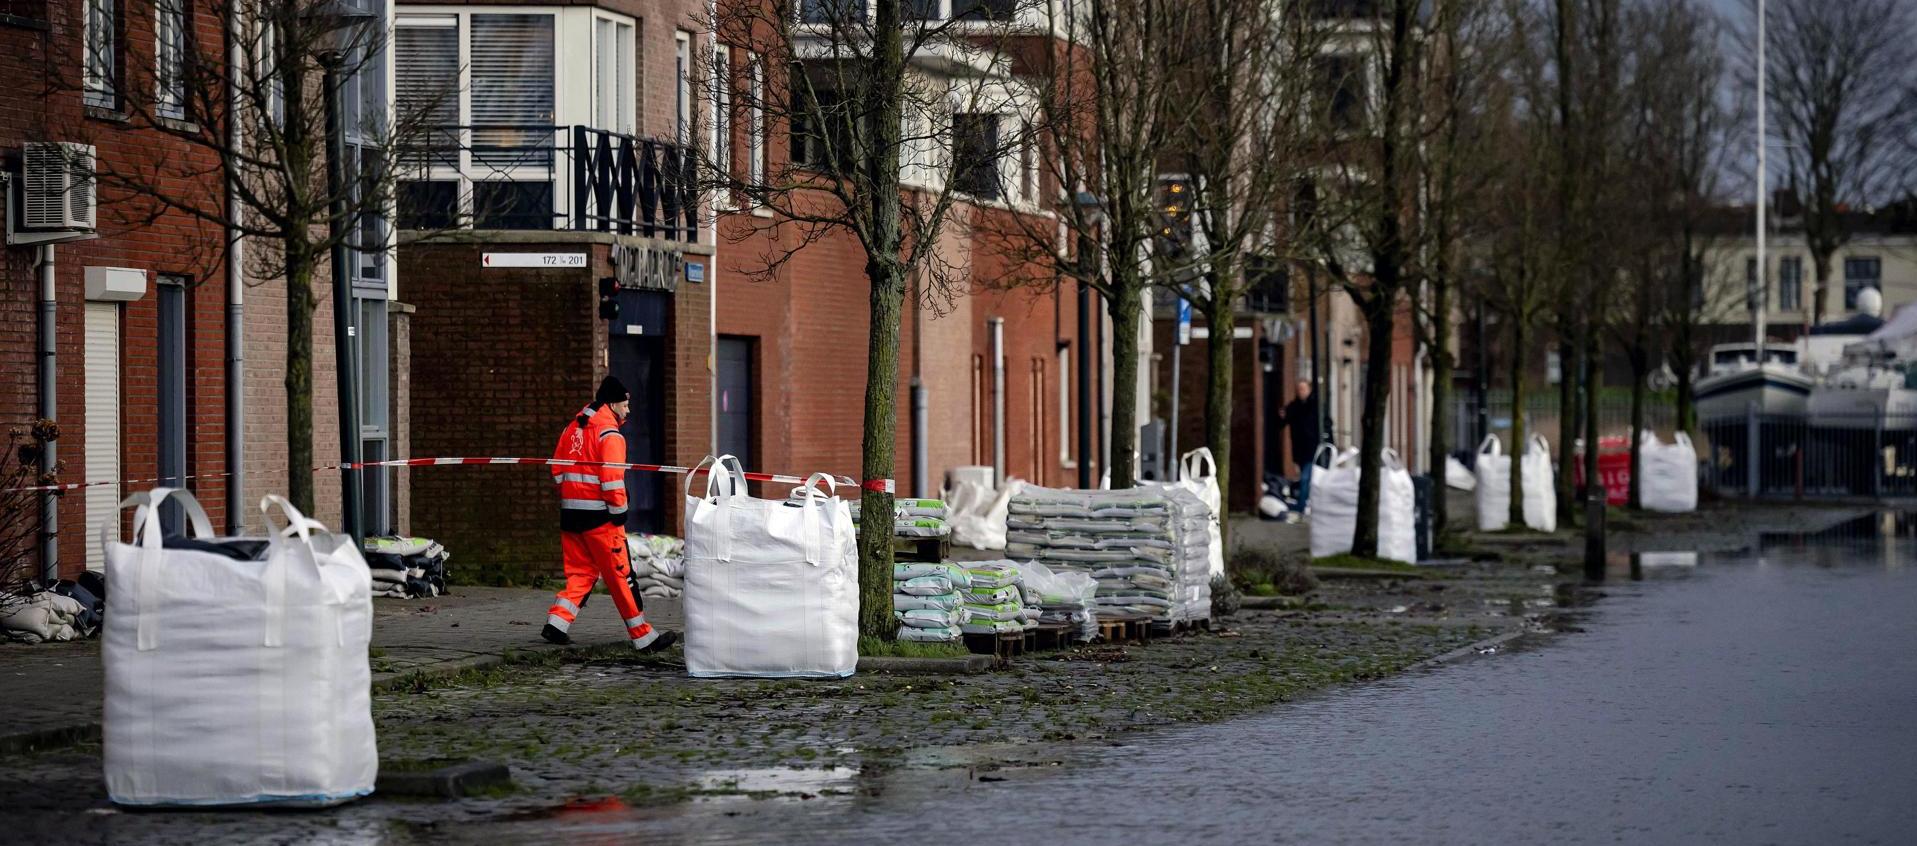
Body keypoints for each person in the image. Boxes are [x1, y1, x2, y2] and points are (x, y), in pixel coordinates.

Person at [543, 375, 676, 652]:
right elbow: (612, 479)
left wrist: (572, 494)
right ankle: (644, 637)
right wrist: (619, 512)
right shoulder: (609, 434)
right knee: (621, 576)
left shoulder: (572, 428)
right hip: (601, 518)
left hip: (570, 515)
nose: (628, 410)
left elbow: (556, 469)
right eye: (625, 405)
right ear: (613, 404)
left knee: (582, 572)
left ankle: (557, 623)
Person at [1281, 380, 1321, 514]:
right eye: (1299, 389)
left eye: (1303, 389)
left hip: (1313, 448)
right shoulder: (1294, 407)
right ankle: (1306, 503)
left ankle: (1301, 505)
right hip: (1299, 449)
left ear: (1309, 389)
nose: (1301, 392)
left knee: (1305, 478)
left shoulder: (1315, 405)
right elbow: (1283, 421)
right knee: (1306, 477)